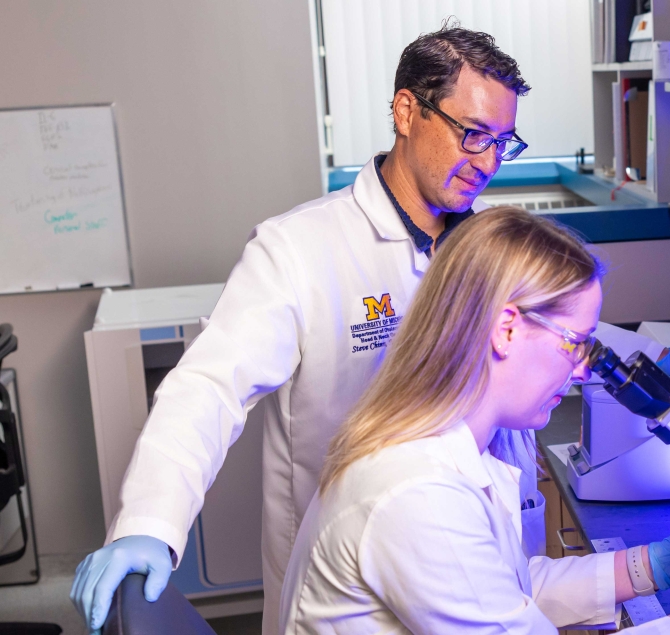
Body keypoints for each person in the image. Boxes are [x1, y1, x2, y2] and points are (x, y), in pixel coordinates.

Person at [71, 24, 537, 635]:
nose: (488, 163)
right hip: (344, 590)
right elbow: (209, 387)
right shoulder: (300, 248)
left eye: (504, 143)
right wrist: (149, 527)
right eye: (473, 135)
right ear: (406, 111)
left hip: (470, 561)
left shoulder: (491, 250)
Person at [280, 206, 670, 635]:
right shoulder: (414, 491)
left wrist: (654, 565)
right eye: (575, 344)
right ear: (506, 329)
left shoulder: (439, 446)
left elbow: (510, 591)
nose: (583, 372)